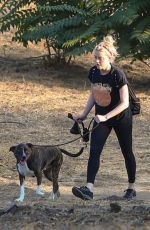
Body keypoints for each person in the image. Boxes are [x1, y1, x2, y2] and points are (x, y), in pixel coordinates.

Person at [72, 35, 136, 200]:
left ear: (109, 58)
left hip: (121, 118)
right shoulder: (93, 72)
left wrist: (106, 116)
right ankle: (88, 189)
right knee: (94, 151)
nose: (97, 61)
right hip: (101, 118)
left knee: (127, 151)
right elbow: (94, 94)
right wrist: (84, 114)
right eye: (95, 58)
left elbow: (124, 103)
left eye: (100, 58)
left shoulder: (117, 75)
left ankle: (131, 187)